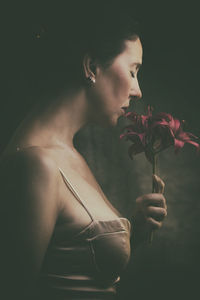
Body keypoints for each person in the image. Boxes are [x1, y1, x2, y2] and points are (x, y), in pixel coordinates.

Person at [0, 1, 167, 299]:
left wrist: (134, 234)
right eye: (132, 71)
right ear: (91, 66)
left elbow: (77, 270)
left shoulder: (68, 155)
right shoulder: (37, 163)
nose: (138, 90)